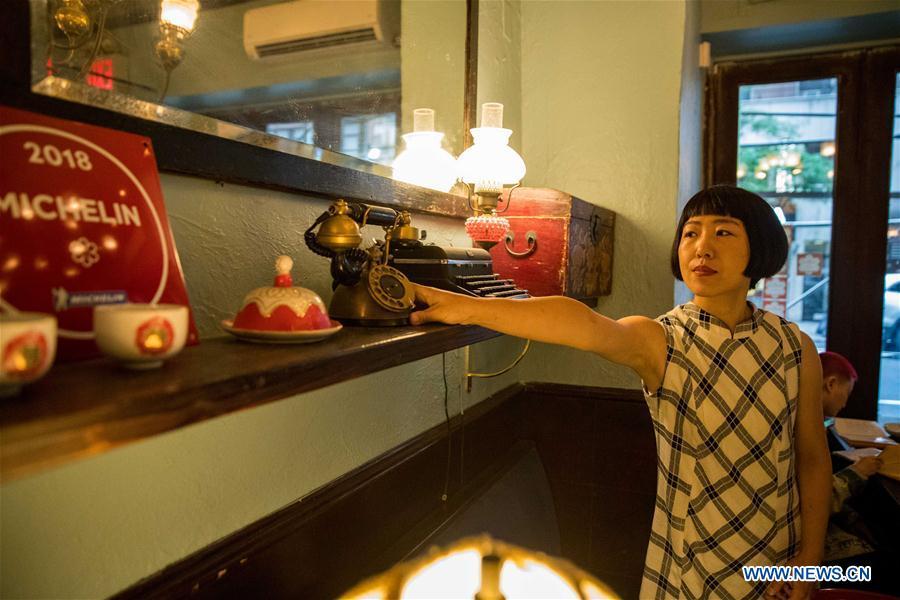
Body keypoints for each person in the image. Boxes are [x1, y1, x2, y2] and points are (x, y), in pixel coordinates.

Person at [410, 185, 831, 600]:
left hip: (780, 560)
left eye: (723, 232)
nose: (702, 248)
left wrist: (810, 559)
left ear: (759, 247)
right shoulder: (664, 340)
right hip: (691, 565)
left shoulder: (794, 347)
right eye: (690, 233)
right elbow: (584, 325)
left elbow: (812, 457)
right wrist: (461, 305)